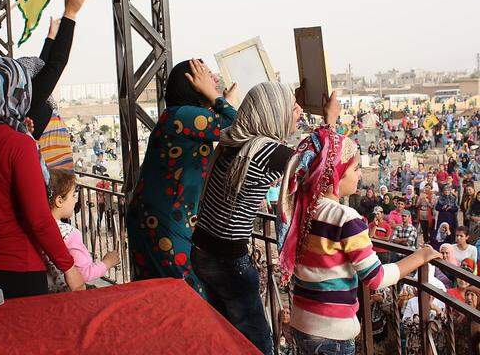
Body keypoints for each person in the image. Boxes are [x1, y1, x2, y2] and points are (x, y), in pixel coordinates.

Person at [191, 81, 338, 355]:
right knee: (259, 343)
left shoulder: (235, 140)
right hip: (229, 262)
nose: (297, 114)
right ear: (273, 112)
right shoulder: (266, 151)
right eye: (291, 109)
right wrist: (329, 122)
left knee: (226, 333)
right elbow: (321, 168)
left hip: (203, 252)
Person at [276, 128, 440, 355]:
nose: (360, 175)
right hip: (332, 334)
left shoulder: (303, 210)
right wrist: (420, 256)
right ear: (335, 173)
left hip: (302, 323)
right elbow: (375, 278)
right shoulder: (345, 218)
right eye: (356, 168)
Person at [0, 57, 85, 299]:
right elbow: (38, 218)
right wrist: (68, 266)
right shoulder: (19, 144)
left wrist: (22, 132)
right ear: (19, 93)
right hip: (14, 268)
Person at [126, 59, 238, 297]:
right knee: (185, 296)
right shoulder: (184, 115)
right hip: (166, 222)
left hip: (157, 217)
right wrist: (218, 99)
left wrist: (217, 101)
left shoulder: (180, 115)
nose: (214, 80)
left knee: (157, 294)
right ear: (193, 84)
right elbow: (238, 127)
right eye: (207, 76)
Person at [23, 0, 89, 171]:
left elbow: (44, 68)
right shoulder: (32, 101)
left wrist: (51, 38)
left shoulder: (21, 104)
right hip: (52, 184)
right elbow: (54, 65)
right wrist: (70, 14)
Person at [45, 169, 119, 292]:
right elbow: (83, 274)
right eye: (73, 195)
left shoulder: (36, 229)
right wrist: (107, 263)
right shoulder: (70, 234)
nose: (75, 200)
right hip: (67, 296)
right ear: (59, 201)